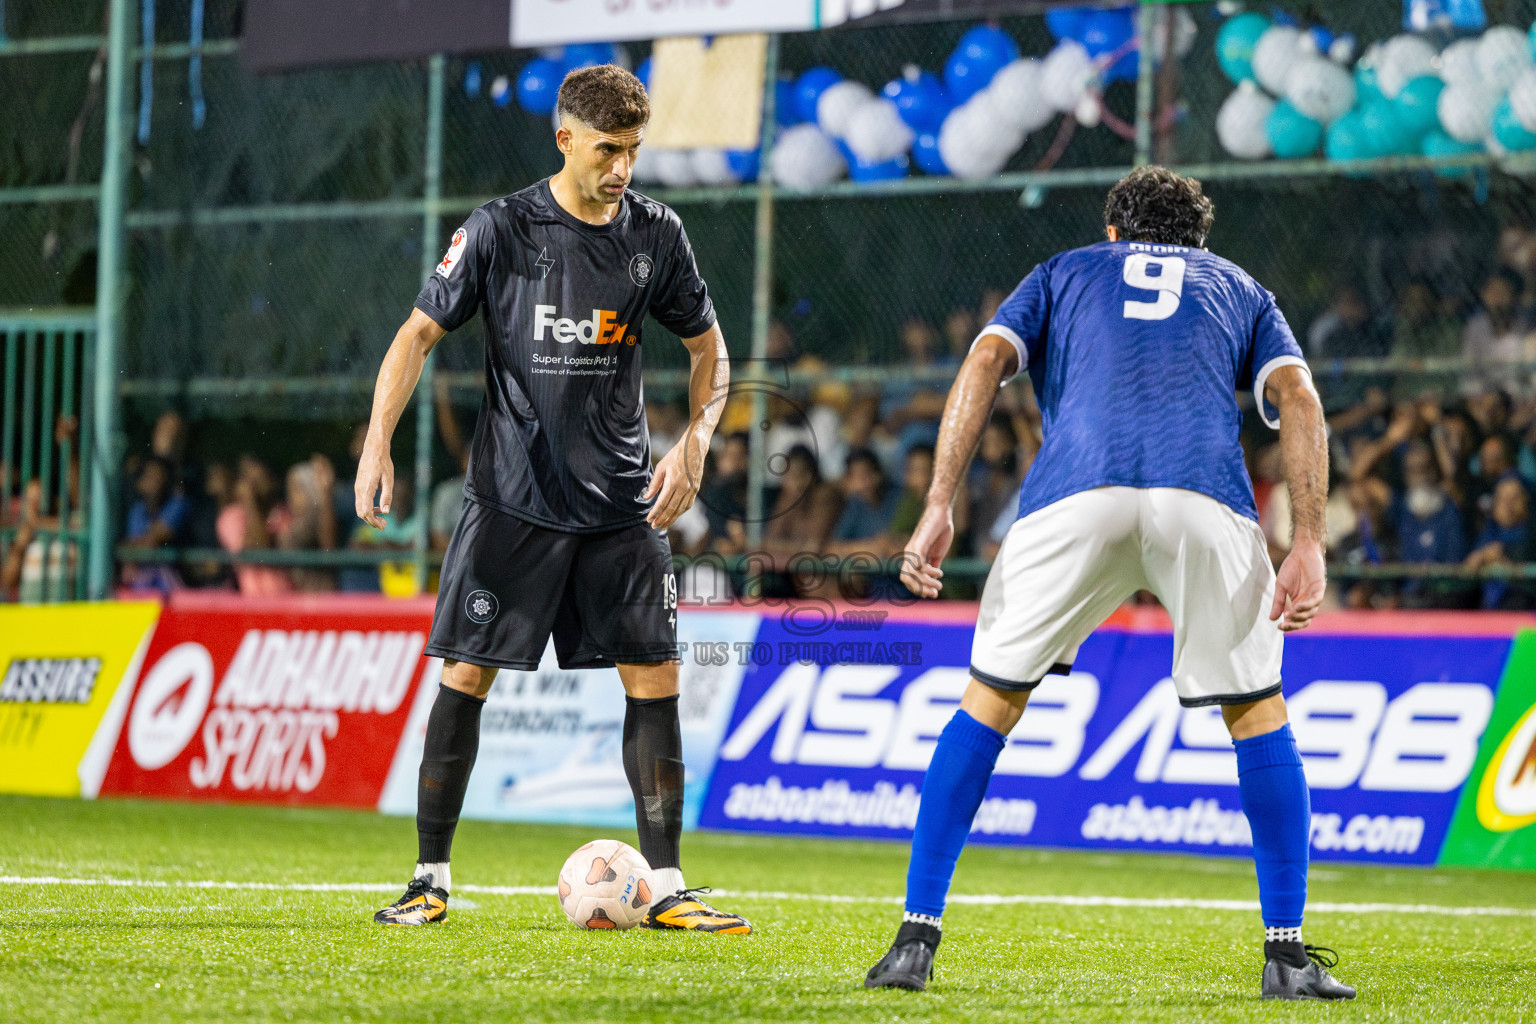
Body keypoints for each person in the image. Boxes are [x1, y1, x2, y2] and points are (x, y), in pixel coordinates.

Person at [864, 166, 1354, 1001]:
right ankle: (1287, 955)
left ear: (1113, 234)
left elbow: (987, 357)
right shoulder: (1239, 288)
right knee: (1257, 711)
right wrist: (1306, 541)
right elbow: (1299, 398)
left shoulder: (1063, 270)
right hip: (1204, 500)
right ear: (1198, 240)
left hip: (1071, 500)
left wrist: (939, 502)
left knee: (989, 702)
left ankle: (915, 938)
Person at [356, 64, 748, 933]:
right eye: (609, 150)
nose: (623, 169)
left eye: (635, 152)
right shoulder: (501, 228)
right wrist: (377, 442)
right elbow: (417, 333)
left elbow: (710, 352)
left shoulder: (659, 234)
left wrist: (695, 442)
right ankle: (429, 879)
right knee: (468, 674)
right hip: (514, 501)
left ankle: (670, 884)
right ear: (564, 138)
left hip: (622, 506)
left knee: (655, 676)